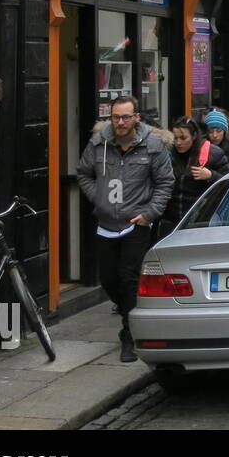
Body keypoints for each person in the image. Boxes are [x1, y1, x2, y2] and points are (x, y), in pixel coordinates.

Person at [76, 96, 174, 363]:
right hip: (106, 223)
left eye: (125, 117)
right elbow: (83, 173)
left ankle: (129, 335)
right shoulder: (98, 143)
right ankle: (130, 313)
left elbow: (165, 182)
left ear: (136, 118)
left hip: (136, 224)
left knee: (129, 277)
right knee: (109, 279)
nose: (120, 122)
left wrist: (149, 214)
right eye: (115, 117)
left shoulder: (152, 145)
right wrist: (99, 198)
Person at [161, 116, 229, 241]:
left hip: (200, 221)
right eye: (175, 138)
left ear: (193, 136)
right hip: (170, 219)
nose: (178, 143)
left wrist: (211, 175)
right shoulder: (167, 153)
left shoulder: (213, 153)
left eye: (183, 138)